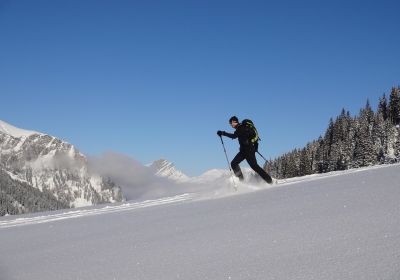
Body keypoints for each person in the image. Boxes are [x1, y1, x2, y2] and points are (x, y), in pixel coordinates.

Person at [217, 116, 273, 184]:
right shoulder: (241, 128)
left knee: (254, 166)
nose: (230, 125)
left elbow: (234, 136)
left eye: (231, 123)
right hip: (244, 151)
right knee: (234, 163)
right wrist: (255, 147)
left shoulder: (241, 128)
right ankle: (241, 181)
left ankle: (269, 181)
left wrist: (223, 133)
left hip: (248, 150)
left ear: (234, 122)